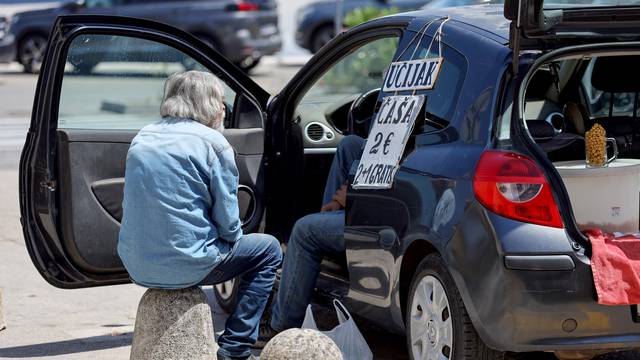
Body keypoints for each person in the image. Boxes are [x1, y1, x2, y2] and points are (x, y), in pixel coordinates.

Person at [118, 70, 282, 360]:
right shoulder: (214, 144)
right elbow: (229, 226)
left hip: (136, 264)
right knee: (267, 250)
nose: (223, 108)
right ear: (206, 104)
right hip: (189, 264)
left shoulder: (142, 138)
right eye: (220, 101)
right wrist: (228, 238)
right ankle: (235, 349)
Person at [256, 134, 364, 347]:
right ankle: (327, 228)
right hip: (373, 200)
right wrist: (338, 201)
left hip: (381, 213)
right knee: (350, 144)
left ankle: (281, 327)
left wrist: (354, 195)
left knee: (304, 231)